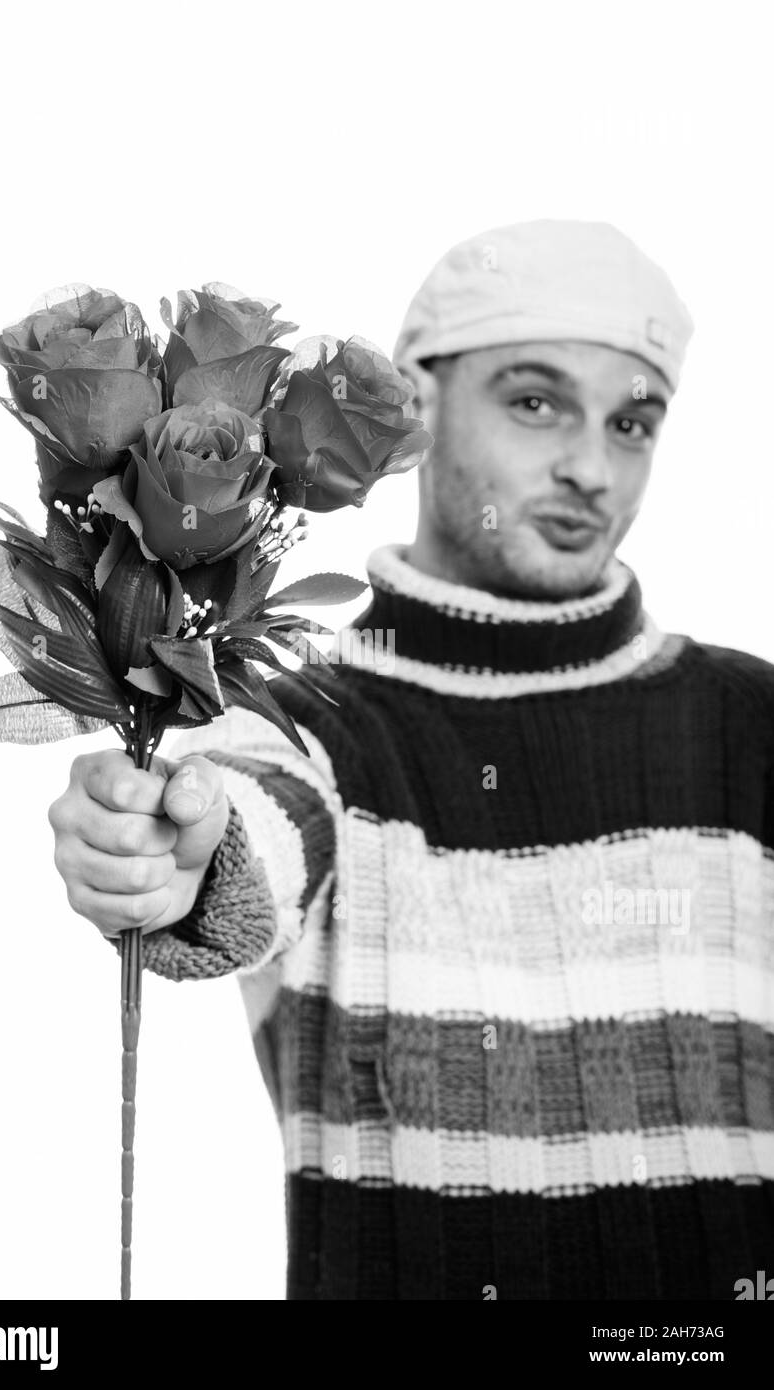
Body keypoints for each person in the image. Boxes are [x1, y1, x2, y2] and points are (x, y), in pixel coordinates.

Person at [48, 220, 774, 1300]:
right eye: (536, 401)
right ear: (419, 411)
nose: (589, 464)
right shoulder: (311, 723)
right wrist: (173, 859)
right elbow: (244, 834)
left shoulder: (749, 725)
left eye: (633, 421)